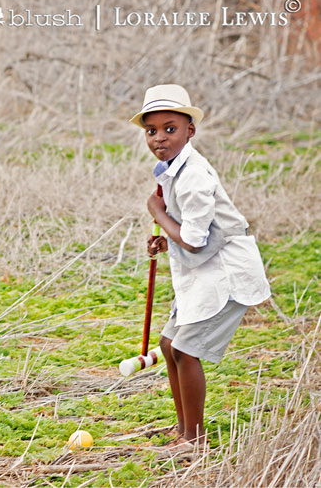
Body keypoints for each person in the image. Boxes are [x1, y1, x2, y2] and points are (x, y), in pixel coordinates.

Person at [130, 84, 271, 452]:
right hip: (204, 265)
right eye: (151, 130)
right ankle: (183, 428)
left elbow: (193, 239)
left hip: (226, 270)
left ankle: (194, 440)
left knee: (186, 350)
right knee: (168, 343)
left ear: (190, 129)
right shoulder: (172, 169)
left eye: (170, 128)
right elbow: (192, 232)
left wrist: (159, 216)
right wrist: (166, 237)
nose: (160, 138)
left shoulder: (194, 175)